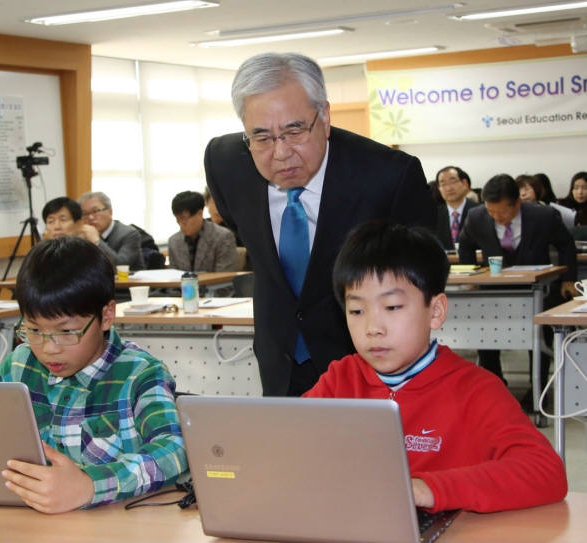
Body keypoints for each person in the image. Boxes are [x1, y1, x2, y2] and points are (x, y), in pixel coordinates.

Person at [204, 52, 434, 396]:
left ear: (324, 116)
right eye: (262, 137)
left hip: (366, 360)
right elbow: (248, 234)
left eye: (294, 130)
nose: (280, 153)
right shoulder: (225, 163)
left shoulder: (388, 176)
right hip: (279, 359)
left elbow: (425, 272)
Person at [304, 221, 567, 513]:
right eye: (356, 311)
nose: (372, 328)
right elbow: (285, 445)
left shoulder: (475, 390)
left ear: (436, 311)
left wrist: (429, 488)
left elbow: (545, 472)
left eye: (392, 307)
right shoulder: (340, 380)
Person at [0, 236, 187, 513]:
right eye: (34, 331)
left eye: (67, 332)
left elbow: (174, 449)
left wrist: (89, 485)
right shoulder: (17, 367)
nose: (49, 349)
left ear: (106, 315)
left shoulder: (139, 374)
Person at [458, 174, 577, 389]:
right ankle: (496, 387)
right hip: (493, 291)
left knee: (538, 339)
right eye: (491, 211)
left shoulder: (543, 216)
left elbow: (566, 244)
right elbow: (465, 245)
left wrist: (568, 280)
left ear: (517, 204)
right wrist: (472, 275)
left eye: (502, 212)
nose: (495, 217)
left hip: (536, 289)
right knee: (485, 338)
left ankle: (538, 390)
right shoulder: (476, 216)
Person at [168, 190, 237, 272]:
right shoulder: (174, 241)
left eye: (185, 218)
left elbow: (225, 276)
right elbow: (173, 276)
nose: (181, 224)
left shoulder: (223, 237)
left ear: (199, 213)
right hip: (183, 285)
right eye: (178, 219)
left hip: (214, 284)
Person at [77, 191, 144, 270]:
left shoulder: (129, 234)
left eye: (95, 211)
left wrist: (97, 241)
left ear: (110, 212)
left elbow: (120, 267)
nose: (90, 217)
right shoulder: (84, 236)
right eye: (85, 213)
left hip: (128, 281)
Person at [434, 166, 479, 251]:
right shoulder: (434, 215)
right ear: (439, 188)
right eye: (443, 184)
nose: (448, 188)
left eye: (453, 181)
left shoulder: (480, 212)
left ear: (465, 183)